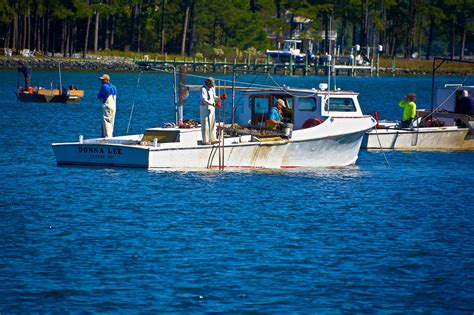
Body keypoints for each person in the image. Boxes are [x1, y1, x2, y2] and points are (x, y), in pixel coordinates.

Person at [200, 77, 226, 145]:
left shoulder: (212, 88)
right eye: (212, 83)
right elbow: (204, 100)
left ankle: (213, 138)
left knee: (212, 123)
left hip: (212, 107)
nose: (213, 85)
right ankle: (205, 140)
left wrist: (220, 97)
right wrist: (214, 103)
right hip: (205, 108)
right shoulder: (203, 89)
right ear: (208, 83)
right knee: (206, 124)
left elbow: (214, 96)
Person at [97, 74, 118, 138]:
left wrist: (101, 97)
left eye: (103, 80)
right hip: (113, 106)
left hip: (107, 106)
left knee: (106, 121)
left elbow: (99, 95)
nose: (101, 81)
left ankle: (107, 137)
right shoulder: (114, 87)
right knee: (111, 121)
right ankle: (110, 136)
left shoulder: (104, 86)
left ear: (107, 80)